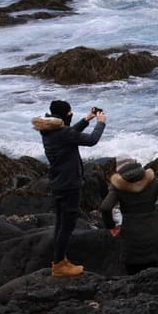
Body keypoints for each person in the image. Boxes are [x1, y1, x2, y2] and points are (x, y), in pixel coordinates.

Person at [32, 100, 106, 277]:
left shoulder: (49, 129)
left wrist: (87, 119)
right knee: (67, 225)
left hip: (58, 182)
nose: (71, 114)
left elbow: (70, 133)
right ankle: (59, 265)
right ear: (65, 115)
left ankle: (59, 259)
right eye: (70, 112)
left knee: (60, 223)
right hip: (69, 184)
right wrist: (100, 123)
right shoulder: (63, 133)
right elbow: (91, 140)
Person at [98, 156, 158, 269]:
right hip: (152, 232)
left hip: (130, 235)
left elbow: (105, 208)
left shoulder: (118, 186)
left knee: (133, 273)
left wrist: (111, 227)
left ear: (118, 169)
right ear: (136, 164)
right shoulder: (152, 180)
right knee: (154, 271)